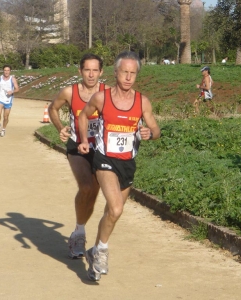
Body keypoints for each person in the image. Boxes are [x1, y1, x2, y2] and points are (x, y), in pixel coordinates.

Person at [78, 51, 160, 281]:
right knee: (116, 208)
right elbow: (83, 116)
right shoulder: (101, 98)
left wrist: (149, 133)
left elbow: (156, 129)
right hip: (104, 159)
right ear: (115, 72)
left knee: (111, 214)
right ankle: (102, 251)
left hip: (127, 163)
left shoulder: (142, 101)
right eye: (124, 72)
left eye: (133, 73)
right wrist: (85, 140)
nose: (128, 77)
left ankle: (94, 251)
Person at [48, 53, 110, 259]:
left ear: (101, 72)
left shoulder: (108, 93)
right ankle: (80, 235)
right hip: (77, 146)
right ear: (80, 71)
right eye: (87, 70)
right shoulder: (69, 92)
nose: (91, 75)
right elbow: (52, 108)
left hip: (100, 148)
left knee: (92, 195)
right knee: (85, 187)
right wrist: (60, 128)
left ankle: (77, 230)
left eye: (95, 70)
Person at [0, 65, 19, 137]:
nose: (6, 72)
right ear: (3, 71)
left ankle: (3, 129)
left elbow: (17, 89)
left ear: (10, 71)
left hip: (8, 100)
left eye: (8, 70)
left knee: (6, 117)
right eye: (5, 70)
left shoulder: (12, 79)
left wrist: (12, 91)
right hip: (0, 98)